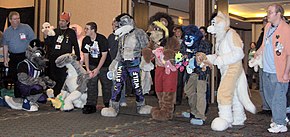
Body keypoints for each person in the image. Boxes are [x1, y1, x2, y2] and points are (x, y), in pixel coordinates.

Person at [255, 3, 290, 133]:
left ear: (278, 14)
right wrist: (257, 53)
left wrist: (286, 72)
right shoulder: (268, 27)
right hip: (267, 69)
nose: (267, 14)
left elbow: (289, 54)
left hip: (279, 71)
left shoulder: (286, 30)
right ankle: (278, 118)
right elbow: (265, 44)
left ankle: (280, 123)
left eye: (270, 12)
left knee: (278, 98)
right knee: (269, 98)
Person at [43, 12, 80, 96]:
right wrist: (45, 36)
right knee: (54, 77)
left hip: (64, 59)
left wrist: (77, 58)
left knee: (62, 77)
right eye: (60, 20)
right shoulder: (54, 31)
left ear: (67, 22)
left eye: (63, 21)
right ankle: (55, 95)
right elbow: (48, 43)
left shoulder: (71, 32)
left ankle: (61, 95)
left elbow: (75, 45)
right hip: (53, 57)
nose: (61, 22)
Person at [81, 22, 112, 114]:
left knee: (106, 84)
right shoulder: (86, 40)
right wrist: (88, 69)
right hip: (92, 64)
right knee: (91, 84)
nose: (85, 30)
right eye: (85, 28)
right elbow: (85, 55)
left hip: (104, 65)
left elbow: (104, 55)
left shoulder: (102, 39)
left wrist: (98, 69)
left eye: (87, 29)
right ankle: (91, 105)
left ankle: (108, 104)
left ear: (93, 30)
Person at [2, 11, 35, 97]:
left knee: (25, 76)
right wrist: (5, 59)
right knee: (15, 77)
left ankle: (27, 95)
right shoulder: (7, 32)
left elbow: (33, 42)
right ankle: (17, 96)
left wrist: (33, 55)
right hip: (13, 57)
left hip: (25, 56)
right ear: (10, 20)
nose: (17, 20)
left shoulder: (26, 28)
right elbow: (5, 46)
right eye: (14, 19)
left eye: (18, 18)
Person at [107, 20, 127, 107]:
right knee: (113, 81)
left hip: (121, 61)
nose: (114, 27)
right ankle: (114, 99)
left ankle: (122, 99)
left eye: (117, 26)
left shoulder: (123, 36)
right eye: (113, 25)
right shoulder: (111, 36)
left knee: (121, 81)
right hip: (112, 62)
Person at [256, 16, 271, 115]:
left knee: (268, 86)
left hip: (268, 64)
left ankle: (270, 107)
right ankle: (266, 106)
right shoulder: (262, 34)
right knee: (262, 87)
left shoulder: (271, 33)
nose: (264, 23)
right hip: (261, 63)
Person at [174, 26, 184, 105]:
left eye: (179, 31)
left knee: (179, 81)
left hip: (181, 63)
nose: (177, 33)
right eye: (176, 31)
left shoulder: (184, 41)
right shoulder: (172, 41)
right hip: (172, 63)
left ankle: (178, 98)